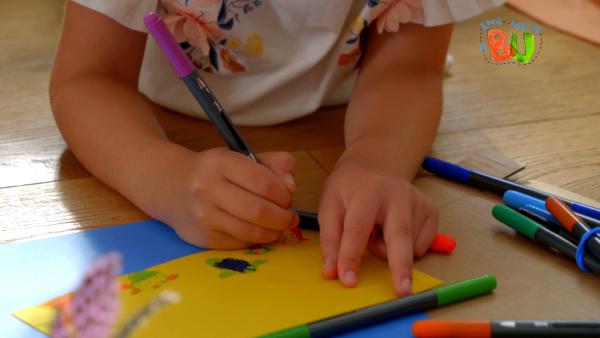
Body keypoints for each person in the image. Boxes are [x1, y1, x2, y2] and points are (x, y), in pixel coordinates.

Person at [50, 0, 503, 296]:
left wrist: (376, 161)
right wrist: (163, 177)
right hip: (155, 102)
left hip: (358, 97)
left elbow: (407, 66)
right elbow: (89, 77)